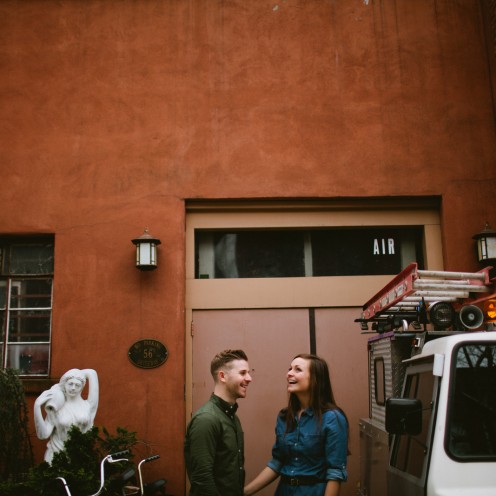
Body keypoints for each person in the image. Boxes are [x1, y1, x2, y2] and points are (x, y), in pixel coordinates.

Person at [244, 353, 348, 496]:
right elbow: (278, 462)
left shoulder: (333, 418)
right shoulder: (284, 417)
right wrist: (244, 492)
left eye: (297, 369)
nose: (289, 374)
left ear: (315, 379)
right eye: (290, 369)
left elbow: (335, 473)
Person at [184, 349, 253, 495]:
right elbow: (202, 479)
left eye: (249, 372)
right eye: (242, 373)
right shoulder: (206, 419)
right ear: (222, 376)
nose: (249, 378)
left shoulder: (232, 417)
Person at [34, 368, 99, 464]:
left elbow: (92, 373)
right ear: (64, 384)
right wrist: (37, 406)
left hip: (78, 457)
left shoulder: (87, 406)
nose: (73, 388)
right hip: (56, 456)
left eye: (77, 385)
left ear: (82, 387)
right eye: (70, 384)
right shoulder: (56, 407)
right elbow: (43, 435)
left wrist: (78, 373)